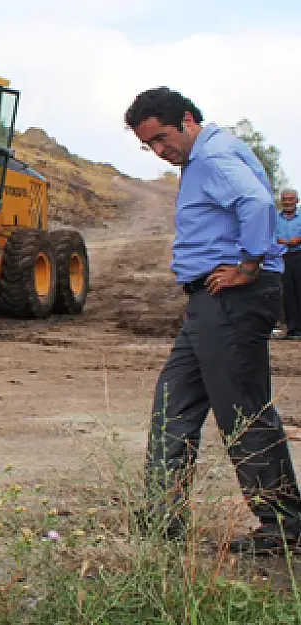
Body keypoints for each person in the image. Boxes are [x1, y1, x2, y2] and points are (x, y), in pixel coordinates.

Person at [126, 86, 301, 555]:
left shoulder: (213, 156)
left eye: (163, 139)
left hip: (232, 299)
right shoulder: (205, 156)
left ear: (186, 119)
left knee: (242, 411)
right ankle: (163, 516)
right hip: (210, 301)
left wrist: (248, 265)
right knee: (174, 403)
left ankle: (284, 526)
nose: (161, 152)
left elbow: (258, 205)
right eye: (150, 146)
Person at [276, 188, 301, 338]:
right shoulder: (276, 218)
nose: (287, 202)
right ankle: (292, 329)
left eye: (290, 199)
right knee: (288, 293)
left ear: (297, 200)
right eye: (285, 199)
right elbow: (271, 234)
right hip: (282, 257)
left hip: (299, 256)